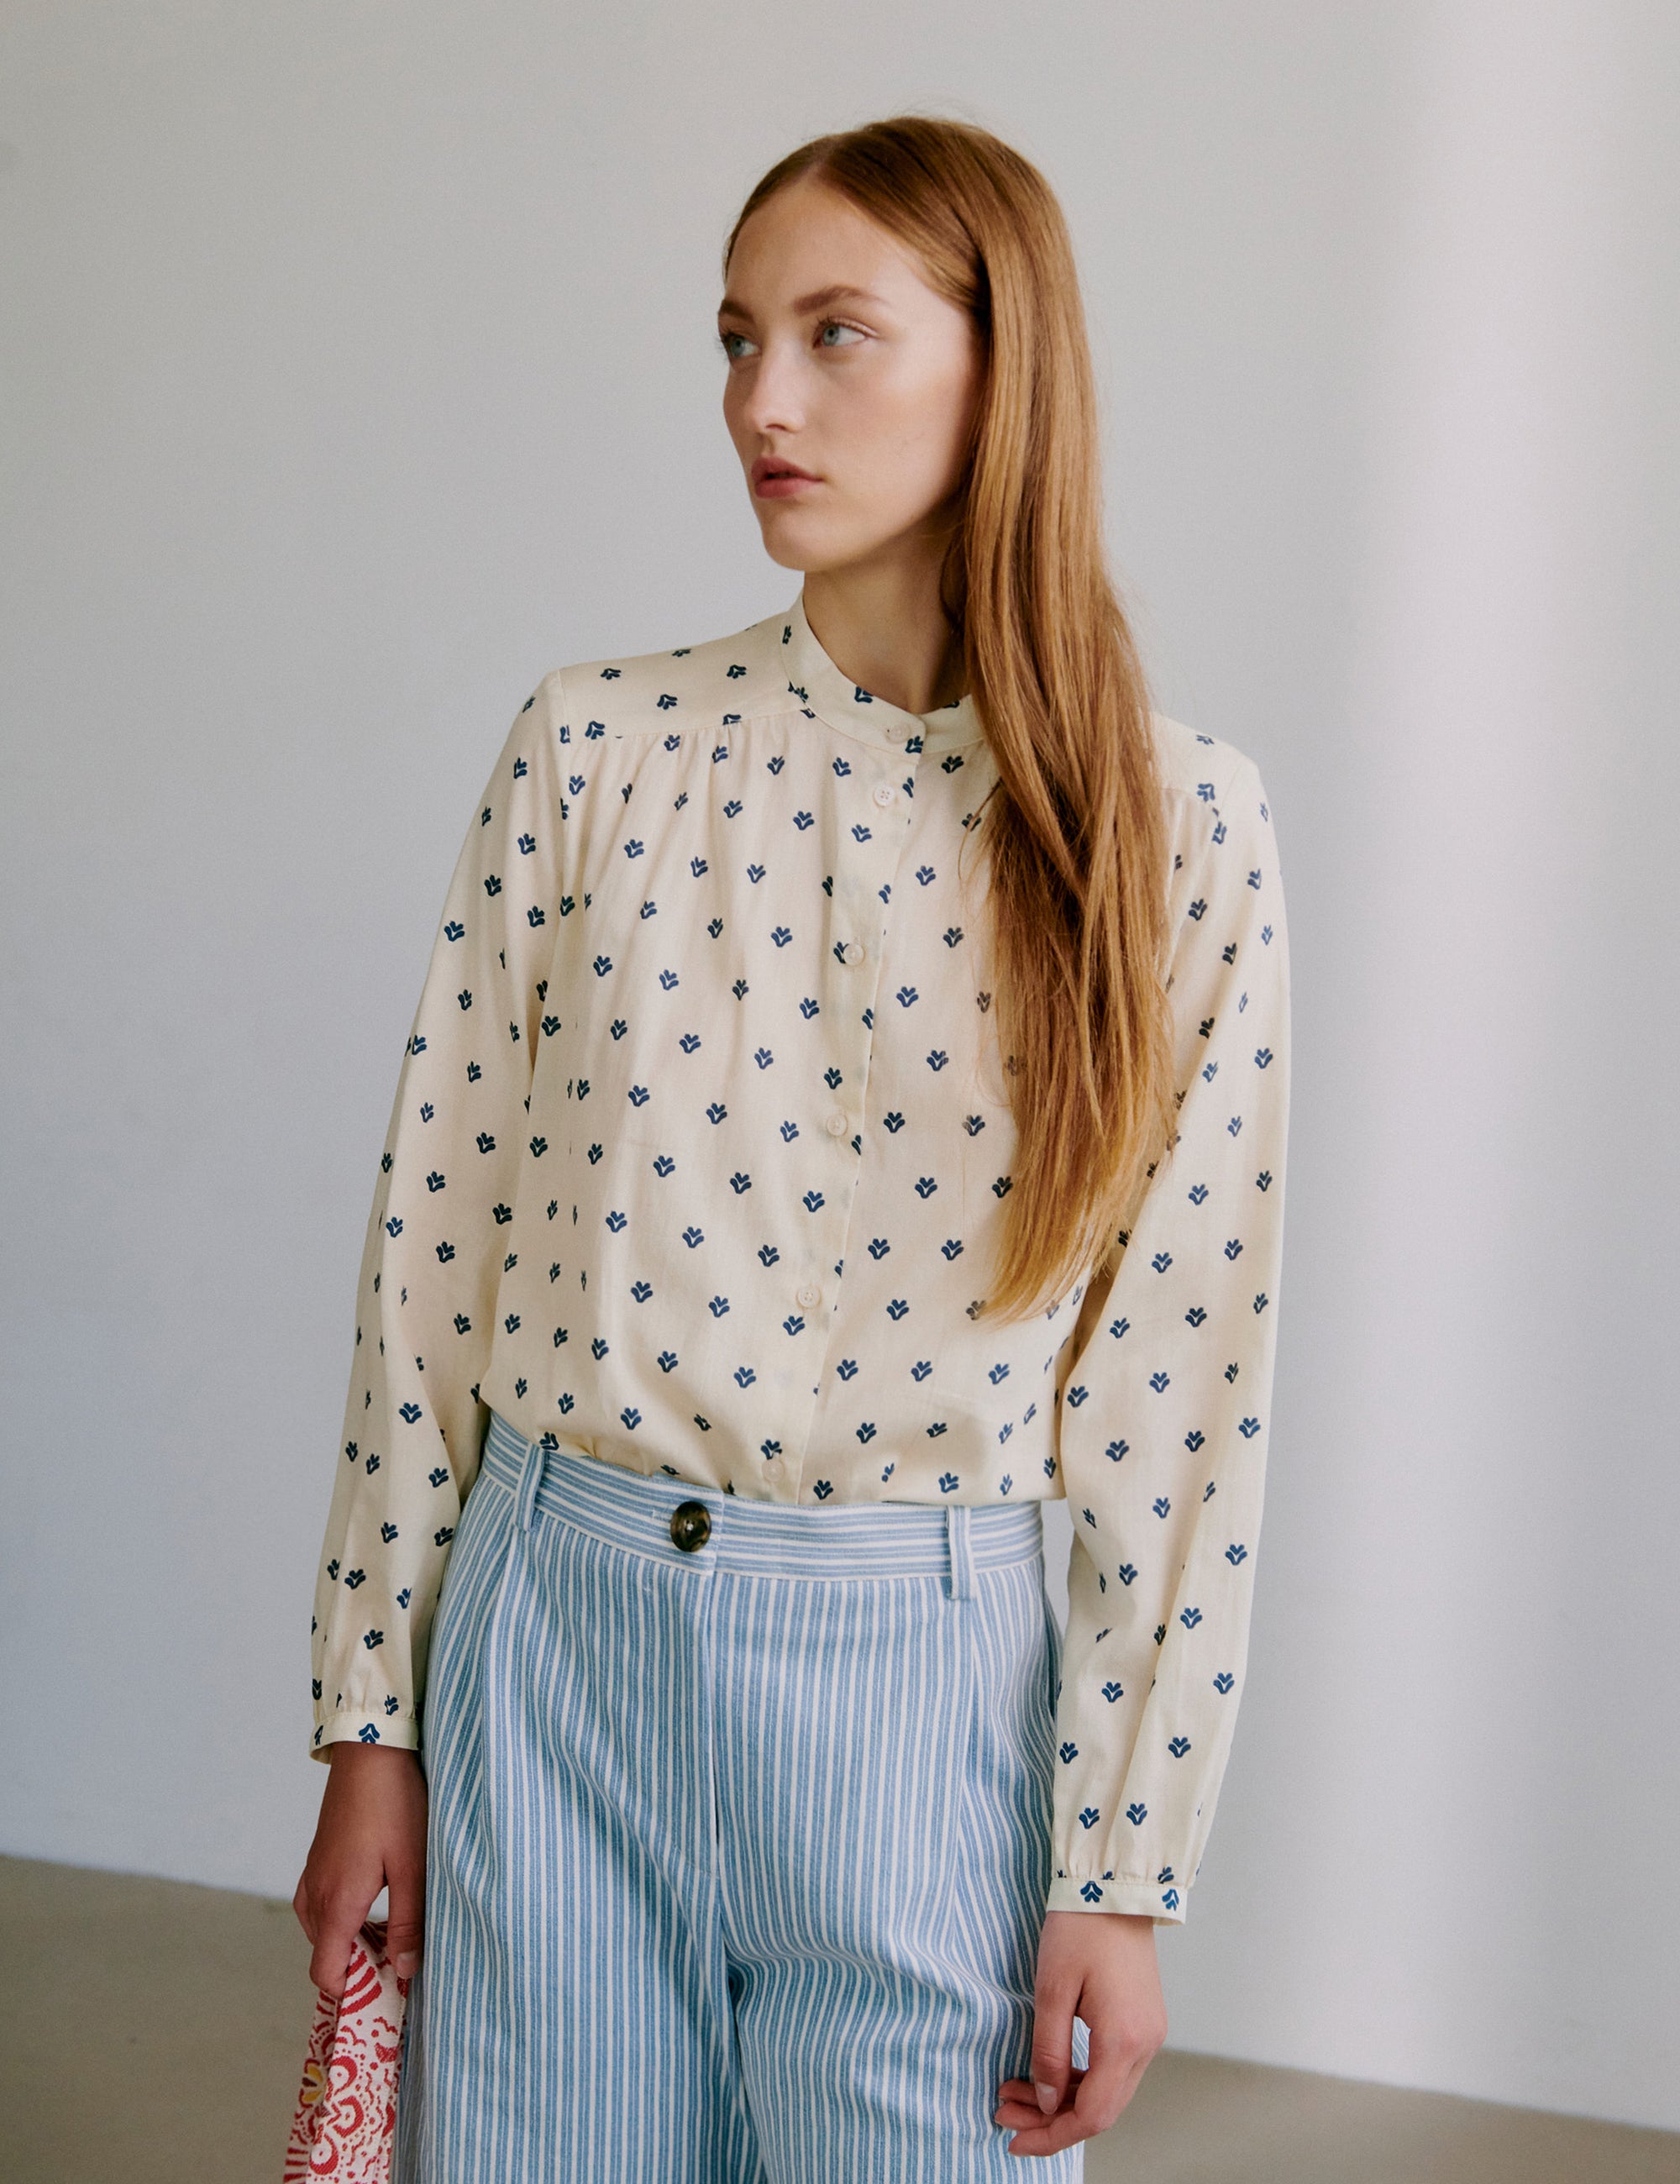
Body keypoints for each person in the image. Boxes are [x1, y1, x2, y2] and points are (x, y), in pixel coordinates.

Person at [292, 113, 1291, 2180]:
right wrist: (370, 1721)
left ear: (1005, 367)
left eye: (838, 333)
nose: (762, 399)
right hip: (554, 1655)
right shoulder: (594, 747)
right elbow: (431, 1265)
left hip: (927, 1698)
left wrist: (1120, 1868)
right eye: (737, 338)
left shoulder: (1175, 832)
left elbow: (1179, 1384)